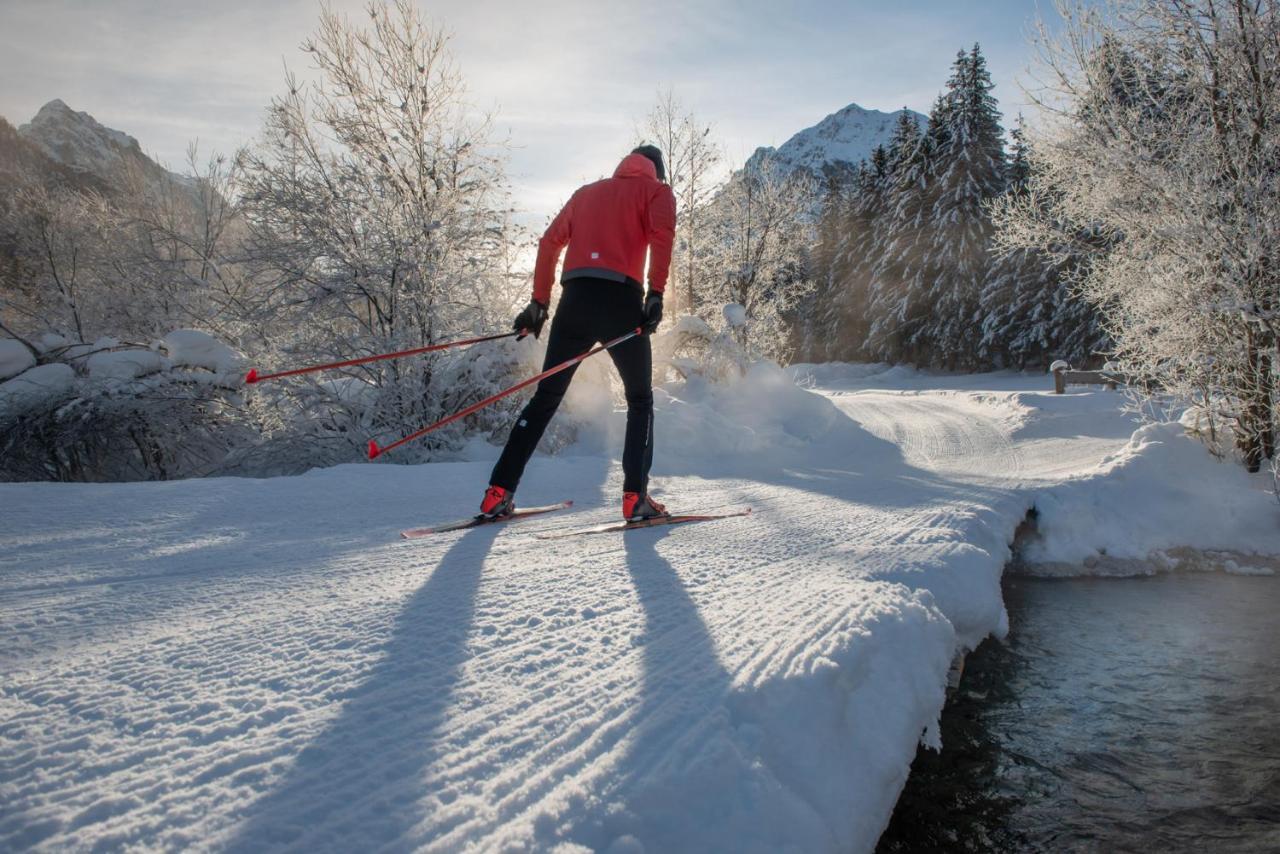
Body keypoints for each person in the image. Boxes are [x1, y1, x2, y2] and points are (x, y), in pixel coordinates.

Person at [479, 145, 676, 522]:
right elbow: (662, 235)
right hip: (622, 300)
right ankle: (635, 499)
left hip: (574, 301)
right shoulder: (656, 192)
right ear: (657, 171)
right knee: (639, 400)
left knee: (546, 397)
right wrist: (656, 293)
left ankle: (497, 492)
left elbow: (548, 243)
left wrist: (539, 303)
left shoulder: (586, 194)